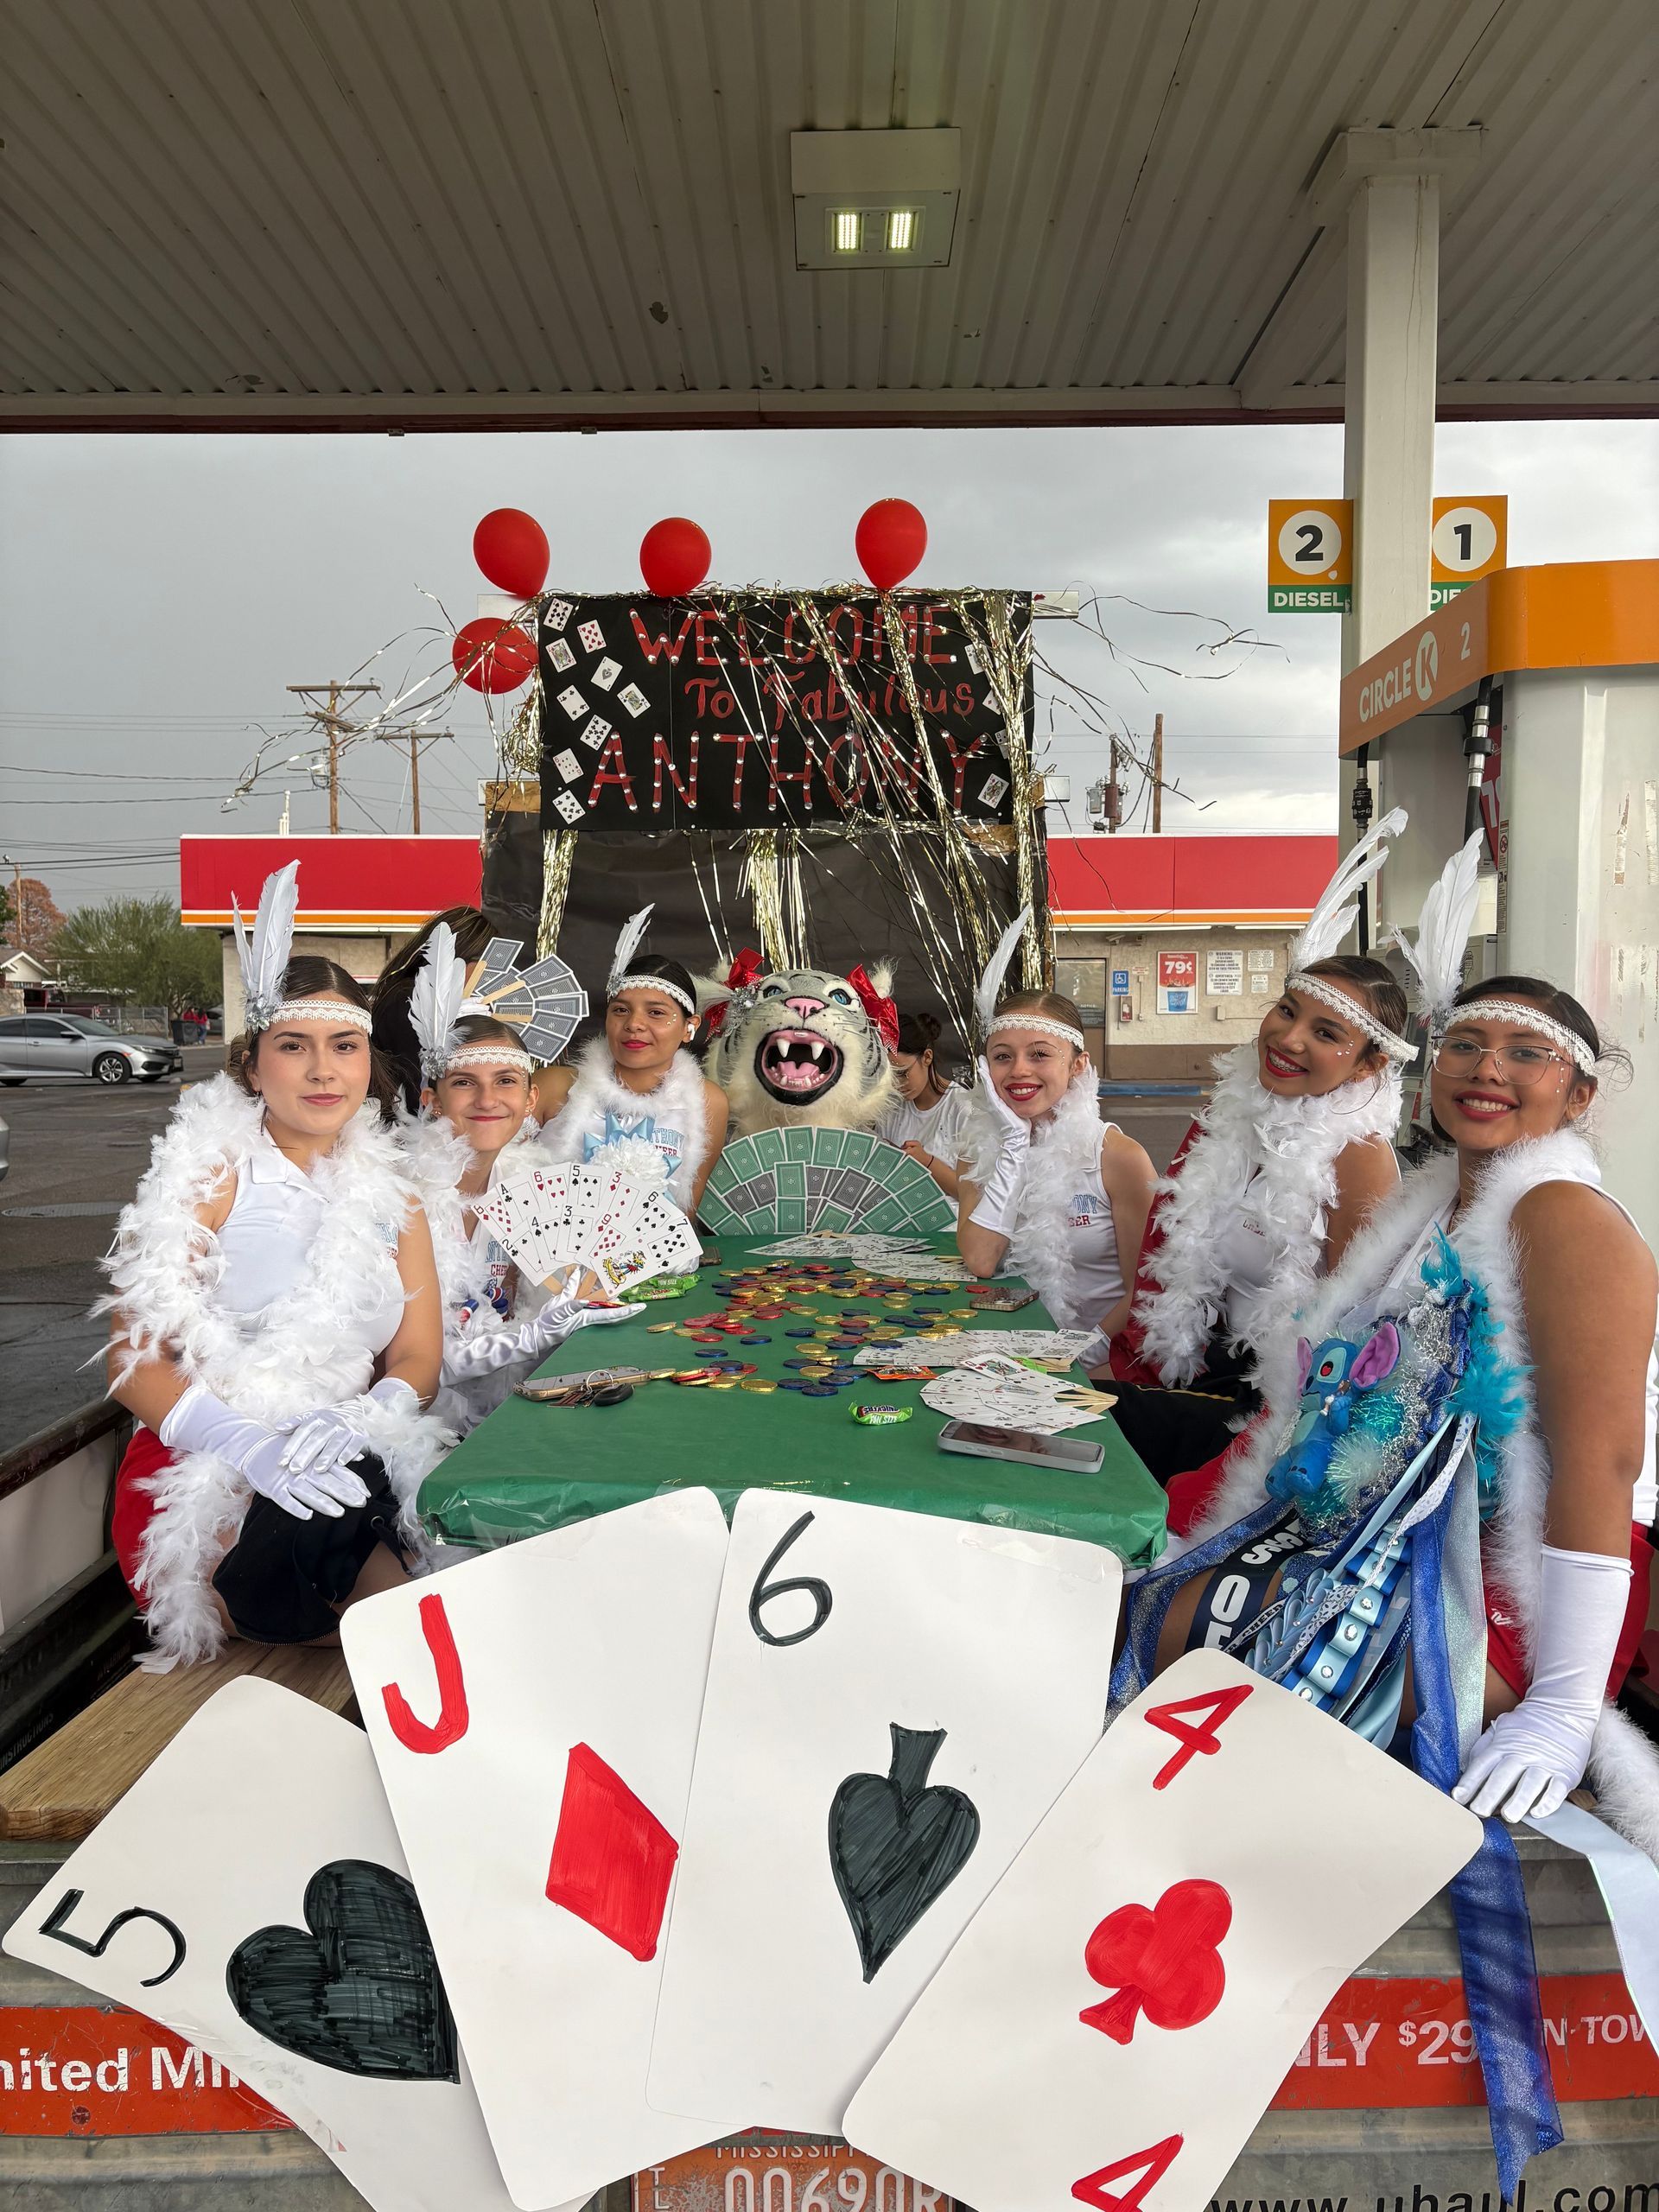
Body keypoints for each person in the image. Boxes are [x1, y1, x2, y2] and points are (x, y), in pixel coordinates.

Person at [1118, 972, 1658, 1835]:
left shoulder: (1565, 1213)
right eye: (1467, 1046)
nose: (1488, 1070)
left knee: (1211, 1670)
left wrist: (1562, 1707)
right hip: (1373, 1537)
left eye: (1526, 1053)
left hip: (1508, 1588)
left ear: (1580, 1092)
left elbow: (1607, 1463)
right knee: (1129, 1609)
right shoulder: (1429, 1202)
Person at [101, 864, 448, 1668]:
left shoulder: (398, 1195)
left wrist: (357, 1416)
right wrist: (250, 1446)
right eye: (295, 1047)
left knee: (422, 1624)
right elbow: (132, 1360)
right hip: (205, 1471)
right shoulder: (210, 1177)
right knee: (373, 1640)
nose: (323, 1070)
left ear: (369, 1064)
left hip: (339, 1462)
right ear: (254, 1066)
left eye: (344, 1046)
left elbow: (417, 1355)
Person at [1108, 817, 1416, 1482]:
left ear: (1366, 1068)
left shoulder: (1359, 1158)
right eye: (1286, 1010)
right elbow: (1173, 1266)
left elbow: (1361, 1333)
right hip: (1211, 1371)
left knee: (1084, 1424)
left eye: (1325, 1031)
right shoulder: (1236, 1114)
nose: (1289, 1037)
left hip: (1278, 1413)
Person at [399, 925, 640, 1434]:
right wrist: (529, 1338)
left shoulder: (533, 1187)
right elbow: (405, 1367)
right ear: (432, 1100)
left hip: (509, 1415)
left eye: (506, 1082)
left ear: (530, 1101)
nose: (488, 1101)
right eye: (465, 1083)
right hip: (412, 1431)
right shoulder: (394, 1199)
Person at [957, 935, 1158, 1356]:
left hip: (1100, 1364)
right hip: (1003, 1352)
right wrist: (1014, 1144)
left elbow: (1147, 1289)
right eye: (1002, 1056)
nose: (1019, 1071)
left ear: (1078, 1065)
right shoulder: (977, 1151)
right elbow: (981, 1261)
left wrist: (1077, 1355)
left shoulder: (1118, 1158)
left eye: (1040, 1054)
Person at [535, 906, 728, 1218]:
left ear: (689, 1026)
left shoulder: (709, 1102)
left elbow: (684, 1212)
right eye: (621, 1010)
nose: (634, 1024)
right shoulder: (555, 1086)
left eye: (656, 1013)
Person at [372, 905, 499, 1113]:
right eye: (488, 966)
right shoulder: (413, 999)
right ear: (460, 958)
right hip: (413, 1129)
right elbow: (418, 1080)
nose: (490, 977)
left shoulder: (403, 994)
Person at [875, 1011, 970, 1198]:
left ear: (927, 1057)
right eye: (889, 1076)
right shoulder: (890, 1106)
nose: (896, 1084)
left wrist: (927, 1162)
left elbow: (974, 1196)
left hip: (950, 1224)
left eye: (902, 1073)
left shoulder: (964, 1108)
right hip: (897, 1219)